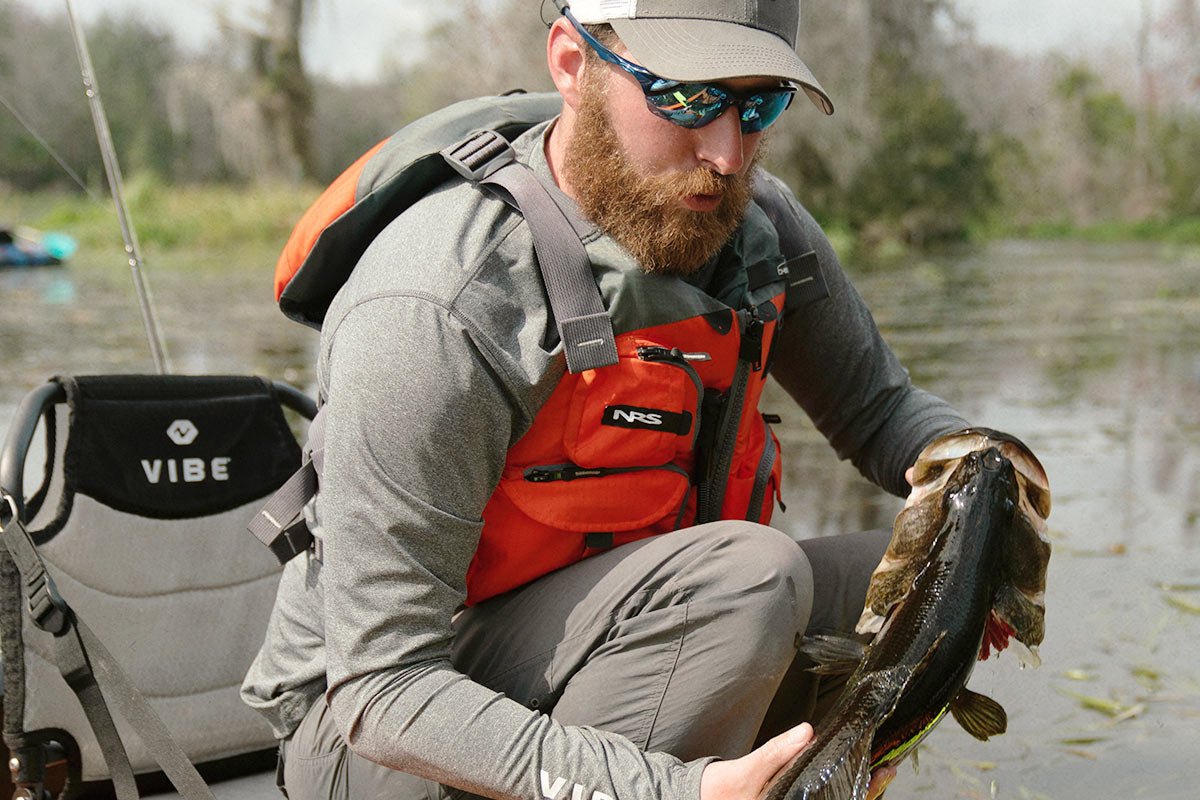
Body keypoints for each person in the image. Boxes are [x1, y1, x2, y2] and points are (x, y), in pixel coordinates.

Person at [242, 1, 975, 798]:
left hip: (616, 649)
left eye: (758, 105)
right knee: (746, 580)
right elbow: (381, 687)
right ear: (571, 63)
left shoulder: (760, 226)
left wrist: (993, 479)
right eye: (687, 98)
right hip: (367, 730)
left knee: (924, 574)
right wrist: (667, 789)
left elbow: (880, 414)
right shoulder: (441, 300)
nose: (728, 153)